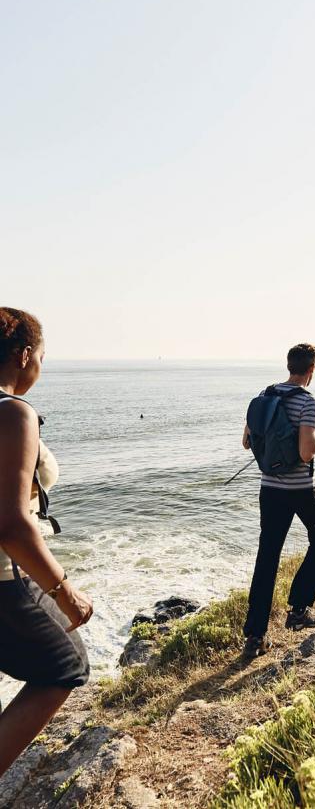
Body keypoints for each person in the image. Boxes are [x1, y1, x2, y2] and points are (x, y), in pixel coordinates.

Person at [0, 308, 92, 776]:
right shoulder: (13, 411)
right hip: (4, 580)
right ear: (23, 355)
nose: (40, 366)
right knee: (65, 665)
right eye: (41, 356)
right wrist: (64, 591)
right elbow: (12, 525)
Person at [241, 343, 315, 657]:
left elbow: (246, 441)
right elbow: (307, 452)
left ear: (289, 365)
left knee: (267, 557)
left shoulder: (265, 395)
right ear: (311, 369)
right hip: (302, 489)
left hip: (270, 489)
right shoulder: (308, 401)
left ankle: (255, 638)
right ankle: (299, 611)